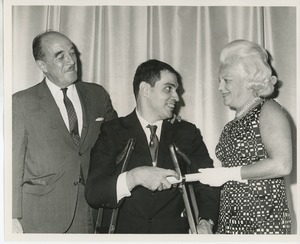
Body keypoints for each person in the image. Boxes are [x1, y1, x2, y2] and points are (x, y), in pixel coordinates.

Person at [85, 59, 220, 234]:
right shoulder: (113, 132)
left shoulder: (187, 133)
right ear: (145, 90)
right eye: (168, 88)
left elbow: (206, 182)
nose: (177, 97)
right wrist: (134, 177)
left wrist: (205, 221)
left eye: (176, 90)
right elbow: (94, 193)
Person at [12, 31, 117, 233]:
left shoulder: (97, 94)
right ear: (42, 65)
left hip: (92, 211)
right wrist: (10, 216)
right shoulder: (21, 102)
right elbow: (12, 163)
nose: (71, 61)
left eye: (72, 53)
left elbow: (118, 138)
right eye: (60, 56)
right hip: (41, 215)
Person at [197, 39, 292, 234]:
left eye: (227, 80)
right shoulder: (230, 126)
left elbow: (282, 164)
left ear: (249, 80)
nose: (220, 87)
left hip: (263, 225)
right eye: (219, 81)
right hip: (229, 224)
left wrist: (228, 174)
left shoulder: (268, 109)